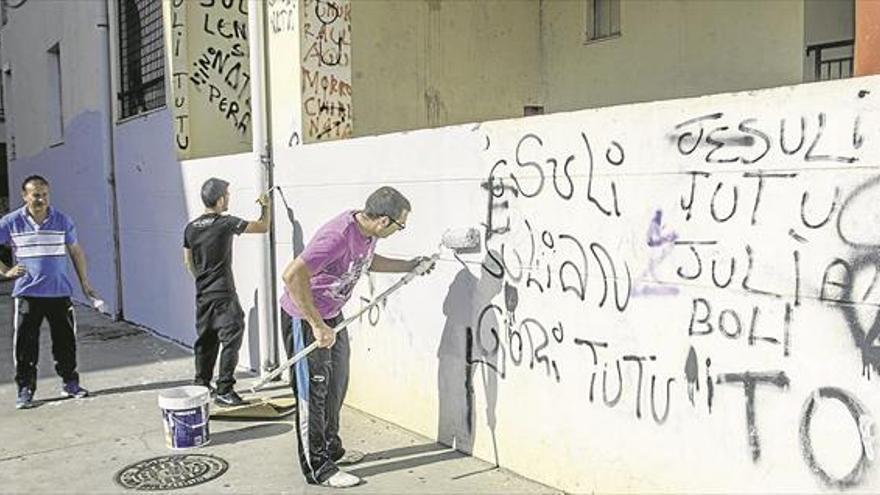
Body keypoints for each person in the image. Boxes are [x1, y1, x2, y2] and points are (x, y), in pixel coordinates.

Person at [280, 186, 434, 488]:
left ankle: (332, 450)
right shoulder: (336, 236)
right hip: (305, 316)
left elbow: (367, 261)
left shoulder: (368, 233)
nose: (400, 230)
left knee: (336, 381)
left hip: (331, 314)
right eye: (401, 225)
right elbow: (292, 275)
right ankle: (318, 468)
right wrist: (316, 324)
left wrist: (408, 266)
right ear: (384, 221)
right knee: (313, 392)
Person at [0, 175, 100, 409]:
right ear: (25, 196)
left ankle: (70, 383)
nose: (41, 199)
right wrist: (6, 271)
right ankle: (25, 389)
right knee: (25, 345)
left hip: (59, 293)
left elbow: (76, 252)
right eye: (36, 195)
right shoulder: (11, 222)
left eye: (44, 194)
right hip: (27, 294)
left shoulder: (62, 220)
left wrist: (84, 282)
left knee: (65, 343)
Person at [183, 177, 271, 407]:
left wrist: (203, 281)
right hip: (223, 292)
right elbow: (262, 227)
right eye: (228, 195)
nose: (229, 199)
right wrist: (266, 207)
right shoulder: (225, 223)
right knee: (232, 334)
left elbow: (188, 262)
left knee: (206, 339)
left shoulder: (191, 228)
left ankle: (201, 384)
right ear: (220, 199)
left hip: (203, 294)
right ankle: (224, 389)